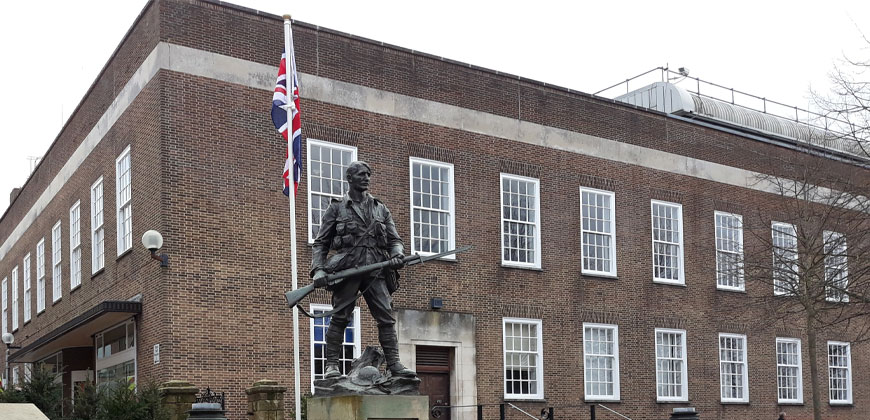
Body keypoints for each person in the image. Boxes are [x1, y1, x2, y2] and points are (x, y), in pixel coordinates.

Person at [310, 161, 416, 378]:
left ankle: (394, 364)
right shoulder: (337, 208)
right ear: (350, 178)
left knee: (386, 317)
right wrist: (318, 270)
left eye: (368, 174)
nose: (366, 178)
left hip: (376, 270)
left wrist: (397, 254)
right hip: (348, 269)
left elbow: (395, 240)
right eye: (361, 174)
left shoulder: (380, 208)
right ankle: (331, 365)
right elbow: (321, 243)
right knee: (340, 316)